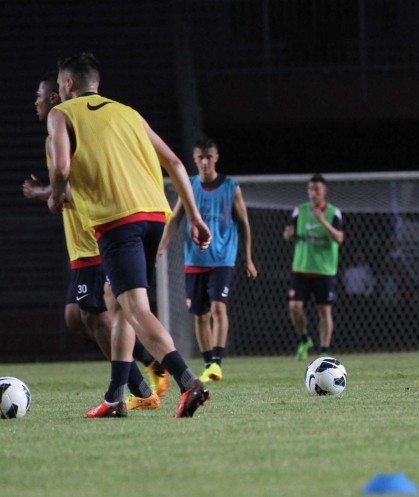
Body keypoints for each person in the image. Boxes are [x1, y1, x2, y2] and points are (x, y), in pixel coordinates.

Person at [47, 52, 211, 418]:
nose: (59, 90)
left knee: (135, 308)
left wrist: (55, 197)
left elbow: (61, 168)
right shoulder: (128, 113)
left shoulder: (62, 114)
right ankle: (115, 398)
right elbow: (176, 163)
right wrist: (194, 217)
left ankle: (188, 382)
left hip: (117, 221)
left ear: (69, 83)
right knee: (116, 301)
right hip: (153, 215)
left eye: (59, 84)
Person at [24, 72, 168, 410]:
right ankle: (147, 370)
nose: (36, 102)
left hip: (94, 239)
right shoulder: (55, 136)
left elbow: (75, 189)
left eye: (40, 96)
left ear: (56, 98)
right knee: (78, 318)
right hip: (81, 242)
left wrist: (44, 193)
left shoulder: (64, 133)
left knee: (98, 316)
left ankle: (144, 382)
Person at [158, 137, 257, 382]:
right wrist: (161, 247)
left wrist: (248, 258)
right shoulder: (190, 185)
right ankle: (208, 364)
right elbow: (175, 219)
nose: (205, 162)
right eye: (200, 157)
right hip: (195, 260)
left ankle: (216, 363)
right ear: (195, 159)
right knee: (201, 316)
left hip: (222, 259)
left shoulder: (231, 187)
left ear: (216, 158)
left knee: (218, 308)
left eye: (209, 157)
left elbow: (244, 223)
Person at [283, 174, 344, 360]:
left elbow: (339, 238)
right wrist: (288, 234)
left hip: (324, 270)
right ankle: (304, 339)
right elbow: (288, 234)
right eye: (310, 189)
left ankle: (324, 350)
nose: (313, 193)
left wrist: (322, 220)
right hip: (301, 268)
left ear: (324, 191)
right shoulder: (300, 211)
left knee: (324, 311)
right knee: (294, 307)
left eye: (317, 189)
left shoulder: (333, 213)